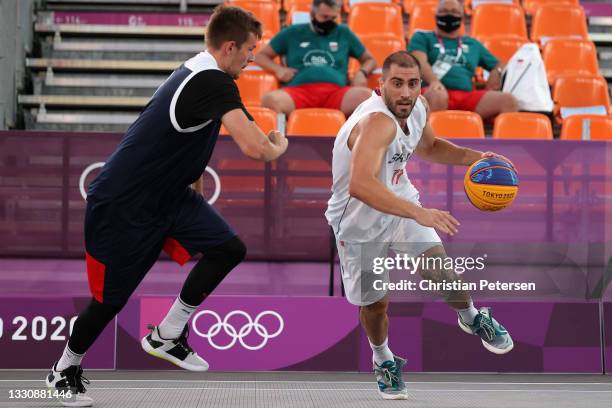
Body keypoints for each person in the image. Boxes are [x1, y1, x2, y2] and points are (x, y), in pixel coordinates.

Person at [45, 6, 288, 407]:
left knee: (228, 249)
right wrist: (280, 143)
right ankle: (64, 370)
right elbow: (258, 147)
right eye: (249, 49)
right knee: (110, 301)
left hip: (169, 195)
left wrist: (190, 180)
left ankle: (168, 333)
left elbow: (179, 139)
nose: (251, 58)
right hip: (125, 203)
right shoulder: (213, 81)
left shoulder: (198, 70)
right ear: (230, 47)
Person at [325, 51, 513, 400]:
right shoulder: (376, 122)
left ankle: (472, 317)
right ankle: (383, 358)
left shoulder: (419, 106)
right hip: (358, 224)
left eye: (413, 83)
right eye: (397, 83)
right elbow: (361, 185)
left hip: (402, 203)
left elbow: (429, 146)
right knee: (376, 304)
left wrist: (477, 157)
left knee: (440, 269)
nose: (406, 92)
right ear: (380, 85)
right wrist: (420, 214)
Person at [254, 0, 376, 117]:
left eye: (333, 18)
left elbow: (370, 59)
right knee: (270, 100)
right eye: (324, 17)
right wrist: (278, 69)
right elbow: (260, 56)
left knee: (368, 97)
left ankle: (353, 137)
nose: (329, 22)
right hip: (298, 92)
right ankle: (279, 137)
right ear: (312, 14)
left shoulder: (343, 33)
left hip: (337, 93)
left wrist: (362, 72)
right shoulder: (293, 32)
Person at [408, 0, 518, 120]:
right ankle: (433, 137)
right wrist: (434, 82)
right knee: (438, 95)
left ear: (462, 17)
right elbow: (418, 61)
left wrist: (496, 73)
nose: (448, 15)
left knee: (509, 101)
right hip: (432, 91)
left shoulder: (472, 44)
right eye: (443, 11)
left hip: (466, 95)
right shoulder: (422, 37)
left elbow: (498, 65)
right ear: (436, 15)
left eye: (454, 11)